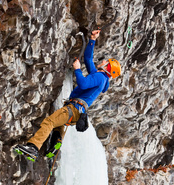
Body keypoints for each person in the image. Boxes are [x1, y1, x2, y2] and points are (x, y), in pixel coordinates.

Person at [14, 29, 121, 161]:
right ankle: (55, 144)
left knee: (49, 122)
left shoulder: (100, 77)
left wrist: (77, 69)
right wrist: (92, 39)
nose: (104, 61)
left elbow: (83, 84)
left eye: (106, 63)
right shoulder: (100, 77)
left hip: (74, 108)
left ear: (107, 68)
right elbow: (88, 58)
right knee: (58, 125)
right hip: (77, 111)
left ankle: (33, 148)